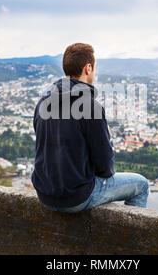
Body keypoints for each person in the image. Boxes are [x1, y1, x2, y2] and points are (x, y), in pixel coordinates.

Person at [31, 43, 149, 213]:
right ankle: (129, 239)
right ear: (88, 68)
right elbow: (105, 165)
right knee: (141, 185)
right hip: (76, 197)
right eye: (94, 68)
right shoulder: (90, 106)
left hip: (44, 194)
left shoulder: (44, 101)